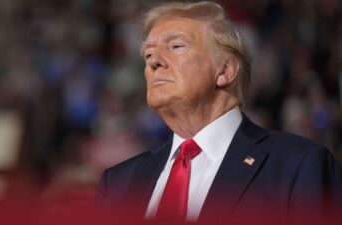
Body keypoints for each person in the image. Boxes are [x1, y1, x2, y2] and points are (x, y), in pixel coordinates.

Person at [95, 1, 342, 224]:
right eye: (148, 54)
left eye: (176, 46)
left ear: (225, 70)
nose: (153, 61)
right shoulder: (118, 184)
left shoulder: (297, 165)